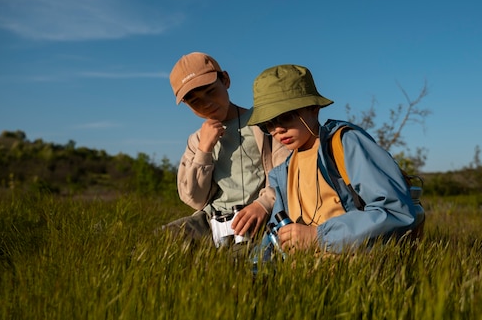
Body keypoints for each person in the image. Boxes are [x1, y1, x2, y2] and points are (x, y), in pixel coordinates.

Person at [247, 64, 424, 255]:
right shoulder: (283, 172)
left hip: (358, 275)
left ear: (314, 108)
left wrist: (318, 236)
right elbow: (277, 235)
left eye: (285, 117)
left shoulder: (346, 144)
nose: (277, 129)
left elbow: (395, 212)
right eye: (268, 124)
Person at [161, 52, 290, 246]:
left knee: (238, 267)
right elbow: (194, 199)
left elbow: (287, 172)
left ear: (226, 80)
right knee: (153, 243)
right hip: (211, 221)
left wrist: (263, 205)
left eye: (211, 91)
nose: (207, 104)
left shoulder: (263, 124)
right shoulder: (196, 140)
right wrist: (204, 150)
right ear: (187, 105)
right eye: (195, 101)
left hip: (255, 218)